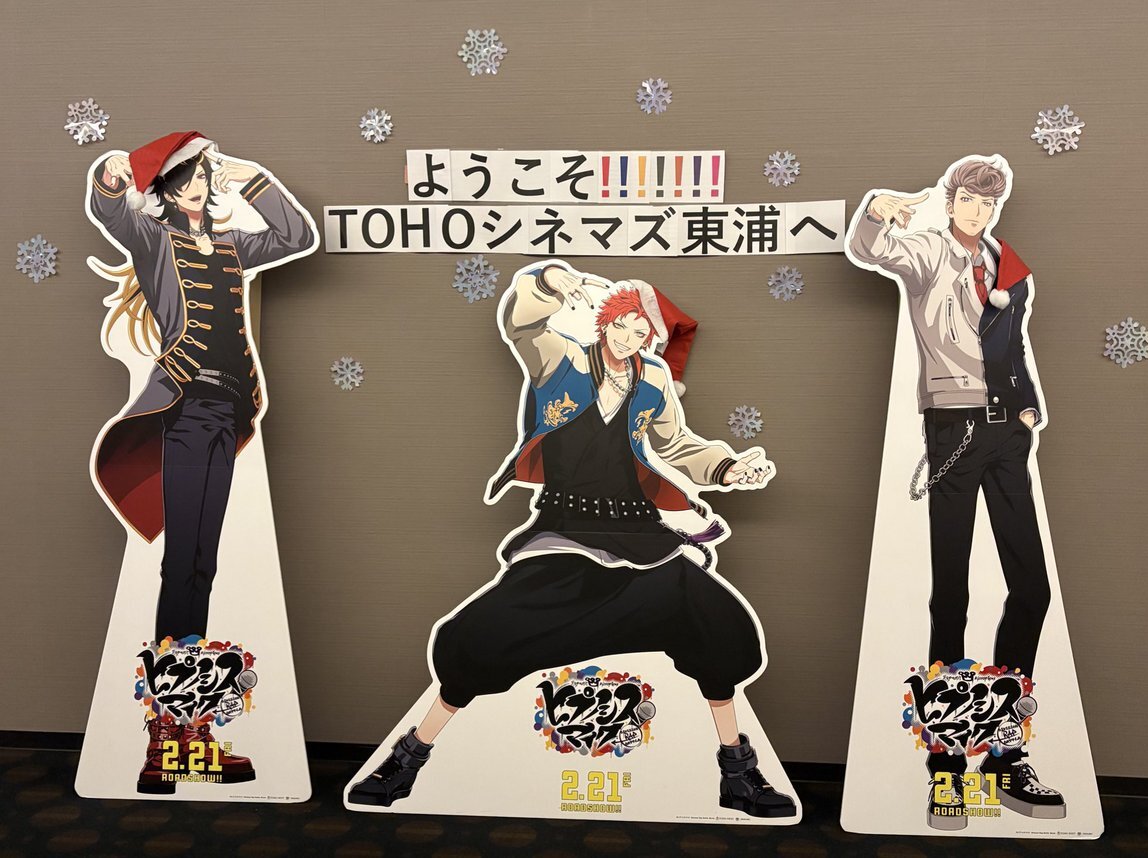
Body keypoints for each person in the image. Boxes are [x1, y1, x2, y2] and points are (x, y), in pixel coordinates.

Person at [349, 264, 796, 819]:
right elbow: (522, 325)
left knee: (717, 625)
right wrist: (547, 281)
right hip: (565, 529)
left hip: (637, 529)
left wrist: (729, 469)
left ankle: (737, 773)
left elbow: (677, 445)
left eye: (641, 331)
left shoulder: (652, 380)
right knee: (482, 634)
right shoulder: (560, 359)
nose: (629, 338)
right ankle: (408, 759)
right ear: (606, 321)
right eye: (623, 325)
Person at [88, 131, 316, 793]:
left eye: (202, 175)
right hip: (185, 409)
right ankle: (166, 736)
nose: (197, 185)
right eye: (184, 177)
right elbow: (112, 213)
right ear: (163, 187)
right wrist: (113, 179)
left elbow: (296, 235)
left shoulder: (230, 245)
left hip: (227, 410)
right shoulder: (156, 240)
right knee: (182, 564)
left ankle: (188, 729)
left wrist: (253, 177)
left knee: (202, 566)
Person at [847, 159, 1065, 829]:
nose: (977, 211)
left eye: (987, 202)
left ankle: (1004, 750)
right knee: (953, 594)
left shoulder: (1004, 262)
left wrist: (1027, 407)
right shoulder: (926, 252)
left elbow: (1012, 342)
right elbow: (870, 249)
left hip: (1007, 432)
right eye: (968, 199)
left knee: (1031, 589)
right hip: (953, 426)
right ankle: (946, 761)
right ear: (950, 200)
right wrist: (877, 211)